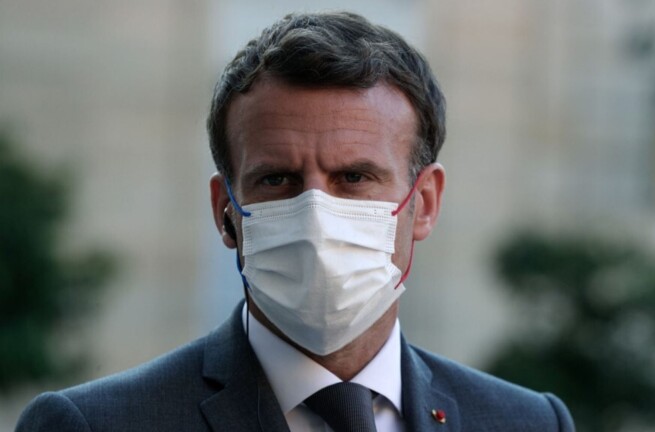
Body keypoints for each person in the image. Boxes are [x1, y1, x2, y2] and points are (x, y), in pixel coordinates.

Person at [16, 11, 575, 432]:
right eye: (278, 179)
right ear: (225, 211)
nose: (315, 213)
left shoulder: (527, 421)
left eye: (354, 178)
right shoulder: (96, 424)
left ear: (424, 203)